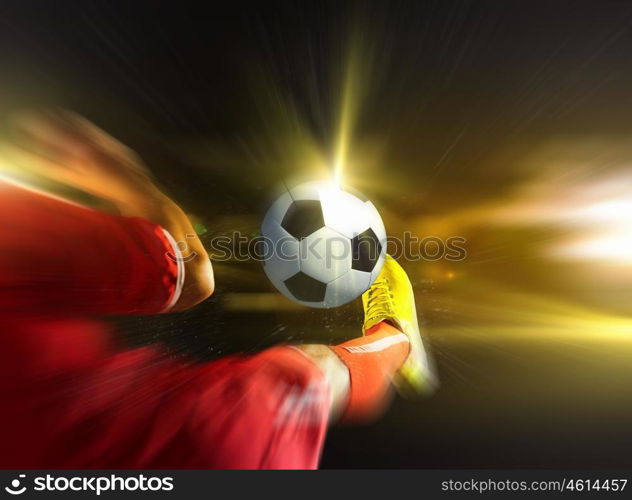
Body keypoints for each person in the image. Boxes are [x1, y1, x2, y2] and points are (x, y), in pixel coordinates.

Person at [0, 112, 435, 469]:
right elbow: (190, 278)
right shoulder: (12, 219)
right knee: (312, 374)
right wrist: (124, 178)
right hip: (180, 443)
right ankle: (394, 339)